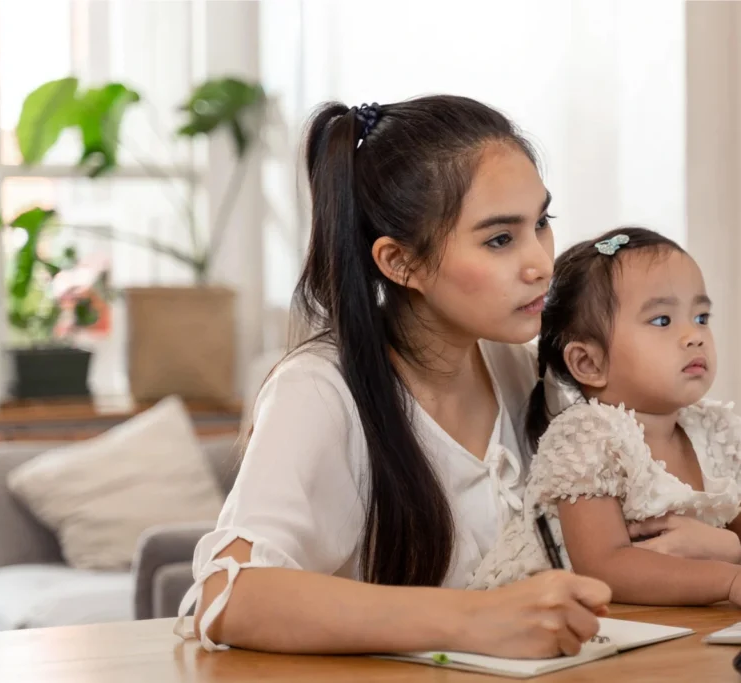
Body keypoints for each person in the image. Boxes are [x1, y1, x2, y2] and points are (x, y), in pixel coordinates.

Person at [174, 96, 612, 658]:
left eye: (541, 223)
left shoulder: (519, 370)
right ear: (399, 262)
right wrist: (473, 619)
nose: (540, 263)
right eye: (500, 239)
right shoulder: (319, 390)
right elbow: (228, 597)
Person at [468, 227, 741, 608]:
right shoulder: (588, 437)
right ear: (589, 363)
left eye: (701, 318)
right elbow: (606, 566)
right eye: (662, 321)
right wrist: (732, 580)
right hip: (535, 626)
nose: (694, 335)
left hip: (651, 624)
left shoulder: (713, 429)